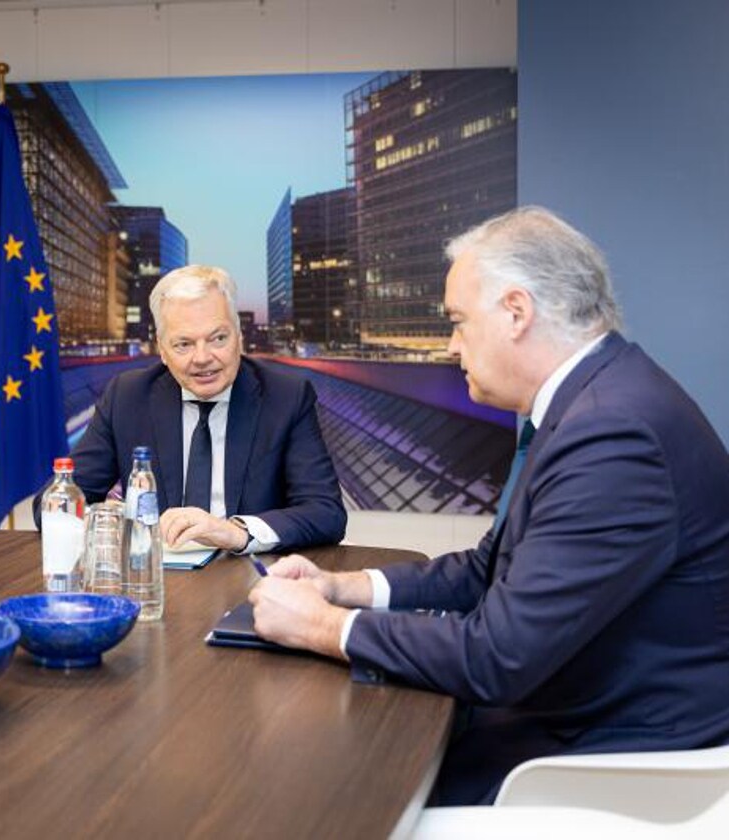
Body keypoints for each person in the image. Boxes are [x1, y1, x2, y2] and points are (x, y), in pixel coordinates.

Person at [249, 206, 729, 804]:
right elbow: (489, 568)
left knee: (334, 789)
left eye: (457, 322)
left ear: (516, 313)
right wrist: (343, 588)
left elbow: (497, 657)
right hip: (571, 713)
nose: (451, 346)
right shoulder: (597, 402)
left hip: (609, 753)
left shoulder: (611, 433)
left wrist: (322, 626)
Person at [61, 264, 346, 553]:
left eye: (218, 338)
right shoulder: (127, 395)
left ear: (239, 337)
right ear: (162, 349)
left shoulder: (286, 396)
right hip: (155, 578)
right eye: (183, 344)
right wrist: (111, 525)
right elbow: (60, 501)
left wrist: (236, 532)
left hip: (251, 576)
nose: (202, 358)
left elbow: (326, 513)